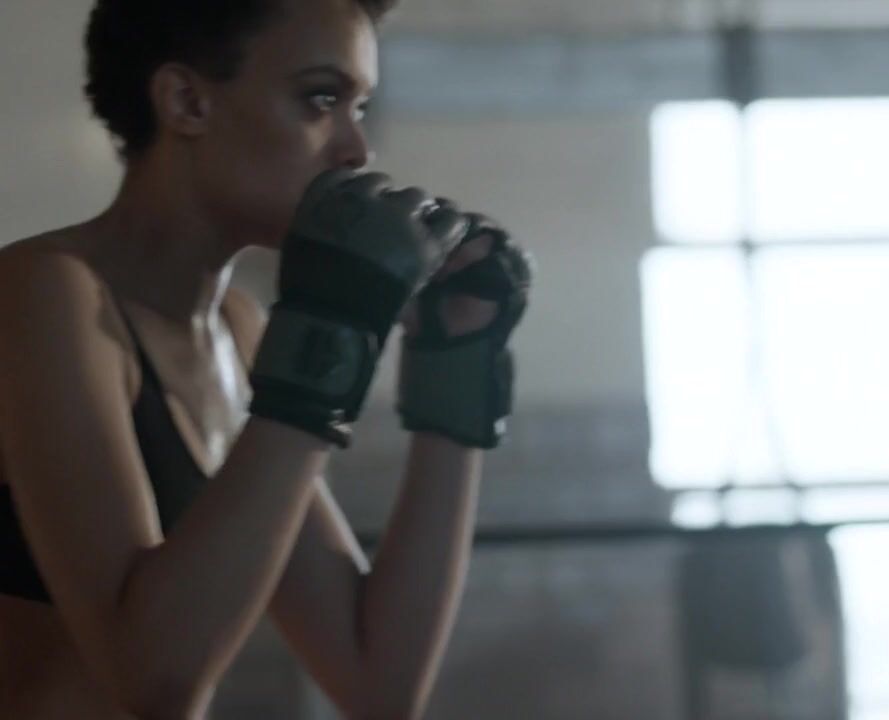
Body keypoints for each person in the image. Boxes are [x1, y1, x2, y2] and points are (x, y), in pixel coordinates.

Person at [0, 0, 532, 717]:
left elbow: (377, 680)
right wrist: (327, 336)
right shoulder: (45, 292)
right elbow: (154, 680)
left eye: (359, 107)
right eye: (321, 99)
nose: (356, 150)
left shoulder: (239, 328)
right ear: (186, 102)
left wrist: (453, 364)